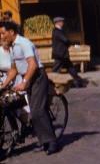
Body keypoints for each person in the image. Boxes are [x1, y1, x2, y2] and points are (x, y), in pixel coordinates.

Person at [0, 22, 59, 154]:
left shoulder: (24, 43)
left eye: (3, 33)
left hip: (37, 77)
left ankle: (52, 142)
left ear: (11, 32)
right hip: (28, 78)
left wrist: (25, 82)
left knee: (37, 110)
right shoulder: (12, 48)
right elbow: (13, 70)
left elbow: (32, 65)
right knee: (32, 109)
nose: (2, 37)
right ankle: (45, 140)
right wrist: (3, 85)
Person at [50, 17, 87, 86]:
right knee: (55, 70)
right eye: (61, 21)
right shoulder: (57, 31)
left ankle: (79, 82)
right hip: (60, 55)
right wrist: (72, 44)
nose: (63, 23)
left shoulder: (59, 31)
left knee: (71, 69)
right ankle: (50, 83)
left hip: (62, 54)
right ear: (58, 23)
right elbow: (65, 40)